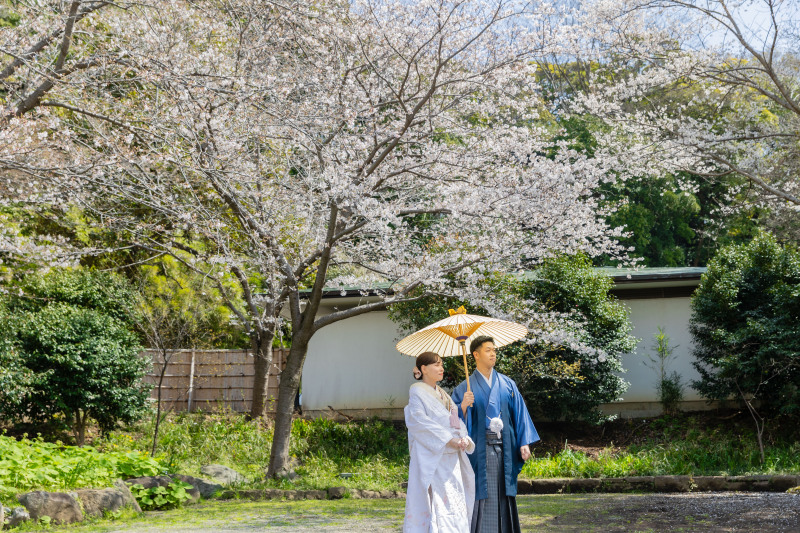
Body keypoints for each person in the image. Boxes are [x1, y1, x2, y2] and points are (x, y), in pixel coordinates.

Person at [451, 335, 539, 533]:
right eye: (488, 350)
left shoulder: (507, 384)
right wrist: (463, 406)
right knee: (483, 493)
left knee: (504, 494)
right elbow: (452, 421)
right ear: (475, 354)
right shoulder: (465, 387)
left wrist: (524, 442)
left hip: (505, 449)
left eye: (494, 350)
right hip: (480, 452)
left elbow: (519, 414)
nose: (493, 354)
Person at [404, 351, 476, 533]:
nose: (441, 368)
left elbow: (455, 420)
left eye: (442, 364)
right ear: (423, 369)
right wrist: (447, 439)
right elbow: (419, 421)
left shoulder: (444, 394)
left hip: (451, 456)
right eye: (436, 365)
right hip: (433, 455)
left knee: (455, 501)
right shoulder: (417, 391)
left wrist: (463, 438)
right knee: (438, 503)